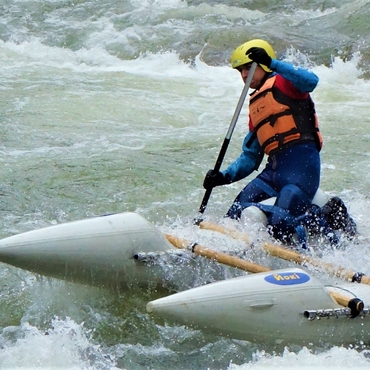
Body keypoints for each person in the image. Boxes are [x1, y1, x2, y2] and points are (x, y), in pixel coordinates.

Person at [203, 39, 356, 248]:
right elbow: (251, 156)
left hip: (301, 171)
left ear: (263, 63)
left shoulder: (286, 83)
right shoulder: (256, 105)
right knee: (235, 213)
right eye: (241, 71)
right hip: (273, 173)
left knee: (280, 224)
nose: (245, 75)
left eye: (249, 67)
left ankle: (326, 215)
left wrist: (272, 63)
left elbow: (311, 81)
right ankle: (230, 251)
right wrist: (223, 177)